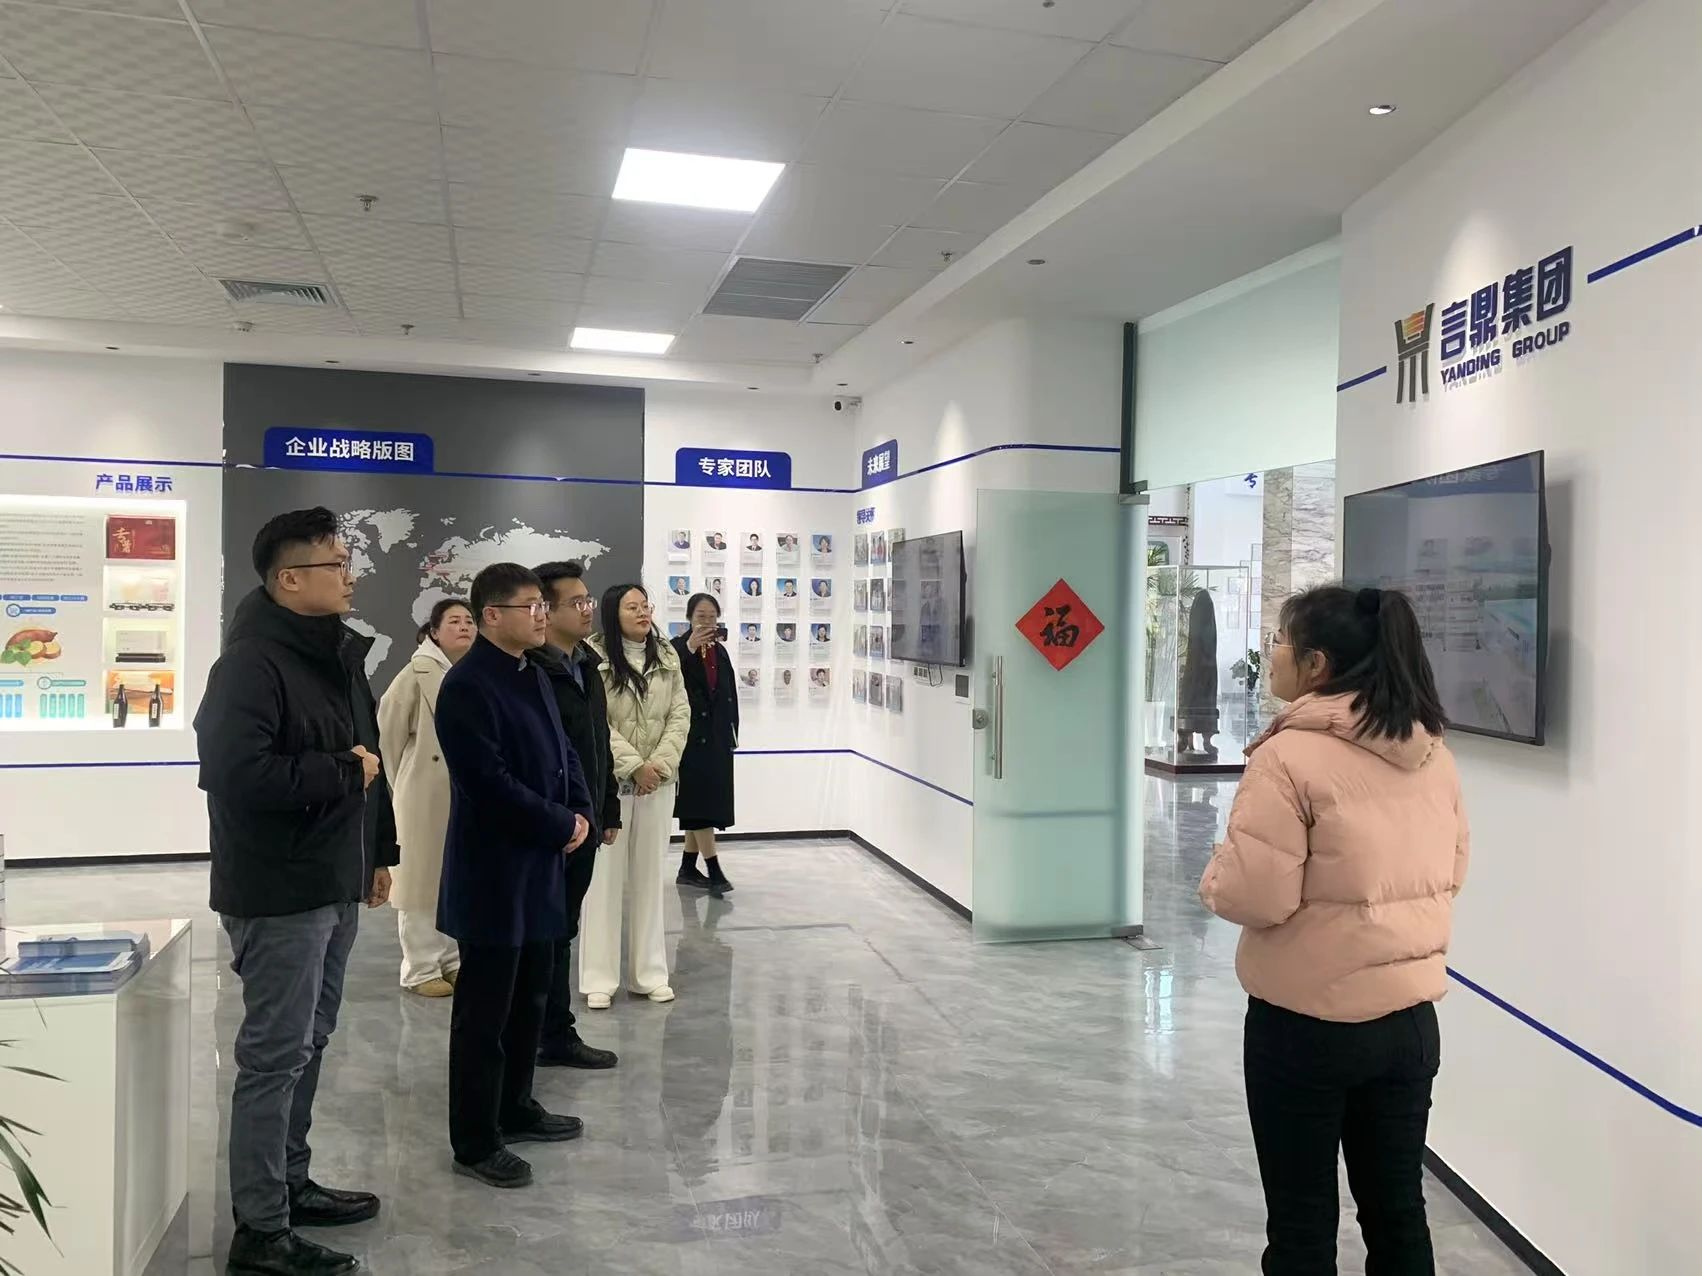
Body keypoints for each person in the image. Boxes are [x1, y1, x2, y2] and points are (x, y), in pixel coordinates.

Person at [1199, 585, 1469, 1274]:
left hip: (1306, 1028)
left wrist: (1215, 873)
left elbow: (1257, 896)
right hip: (1409, 1025)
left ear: (1315, 664)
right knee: (1398, 1212)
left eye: (1279, 641)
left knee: (1303, 1223)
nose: (1271, 654)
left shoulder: (1287, 758)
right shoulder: (1430, 752)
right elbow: (1454, 869)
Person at [196, 506, 397, 1276]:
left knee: (309, 1042)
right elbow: (236, 773)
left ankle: (290, 1180)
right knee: (274, 1056)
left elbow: (372, 757)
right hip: (278, 889)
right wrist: (342, 772)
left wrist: (378, 853)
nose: (350, 577)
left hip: (333, 877)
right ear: (288, 579)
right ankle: (260, 1229)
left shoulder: (333, 654)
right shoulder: (250, 665)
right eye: (334, 565)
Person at [435, 563, 594, 1190]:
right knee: (485, 1013)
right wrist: (558, 822)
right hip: (494, 872)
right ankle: (476, 1139)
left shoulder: (534, 673)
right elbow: (488, 784)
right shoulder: (467, 685)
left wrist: (579, 811)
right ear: (491, 616)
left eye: (542, 605)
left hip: (540, 866)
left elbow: (564, 752)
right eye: (530, 606)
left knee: (531, 997)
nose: (541, 615)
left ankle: (517, 1106)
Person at [530, 561, 622, 1070]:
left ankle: (554, 1034)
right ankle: (539, 1033)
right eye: (577, 602)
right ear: (545, 610)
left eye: (589, 600)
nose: (588, 609)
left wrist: (607, 807)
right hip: (549, 827)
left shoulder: (586, 665)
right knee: (541, 934)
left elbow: (598, 743)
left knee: (563, 929)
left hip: (585, 821)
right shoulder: (532, 671)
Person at [581, 583, 690, 1008]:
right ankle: (598, 979)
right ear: (614, 613)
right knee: (603, 885)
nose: (643, 613)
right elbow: (596, 723)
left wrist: (658, 765)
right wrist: (633, 766)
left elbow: (680, 713)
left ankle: (649, 975)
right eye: (633, 607)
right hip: (612, 785)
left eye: (646, 605)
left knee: (650, 881)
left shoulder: (666, 655)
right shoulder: (593, 658)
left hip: (657, 785)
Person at [378, 598, 476, 997]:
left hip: (463, 792)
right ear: (434, 631)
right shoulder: (415, 673)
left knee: (454, 877)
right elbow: (388, 735)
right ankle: (419, 968)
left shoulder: (473, 672)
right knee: (420, 882)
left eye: (469, 620)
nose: (464, 627)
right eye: (454, 621)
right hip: (423, 793)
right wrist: (403, 782)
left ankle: (450, 960)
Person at [672, 593, 738, 896]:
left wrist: (732, 732)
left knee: (702, 804)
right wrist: (689, 647)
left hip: (717, 738)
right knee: (698, 805)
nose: (707, 622)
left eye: (712, 617)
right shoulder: (676, 648)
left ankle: (687, 868)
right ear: (689, 617)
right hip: (689, 738)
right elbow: (670, 677)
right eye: (701, 616)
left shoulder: (720, 652)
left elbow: (729, 695)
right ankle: (714, 870)